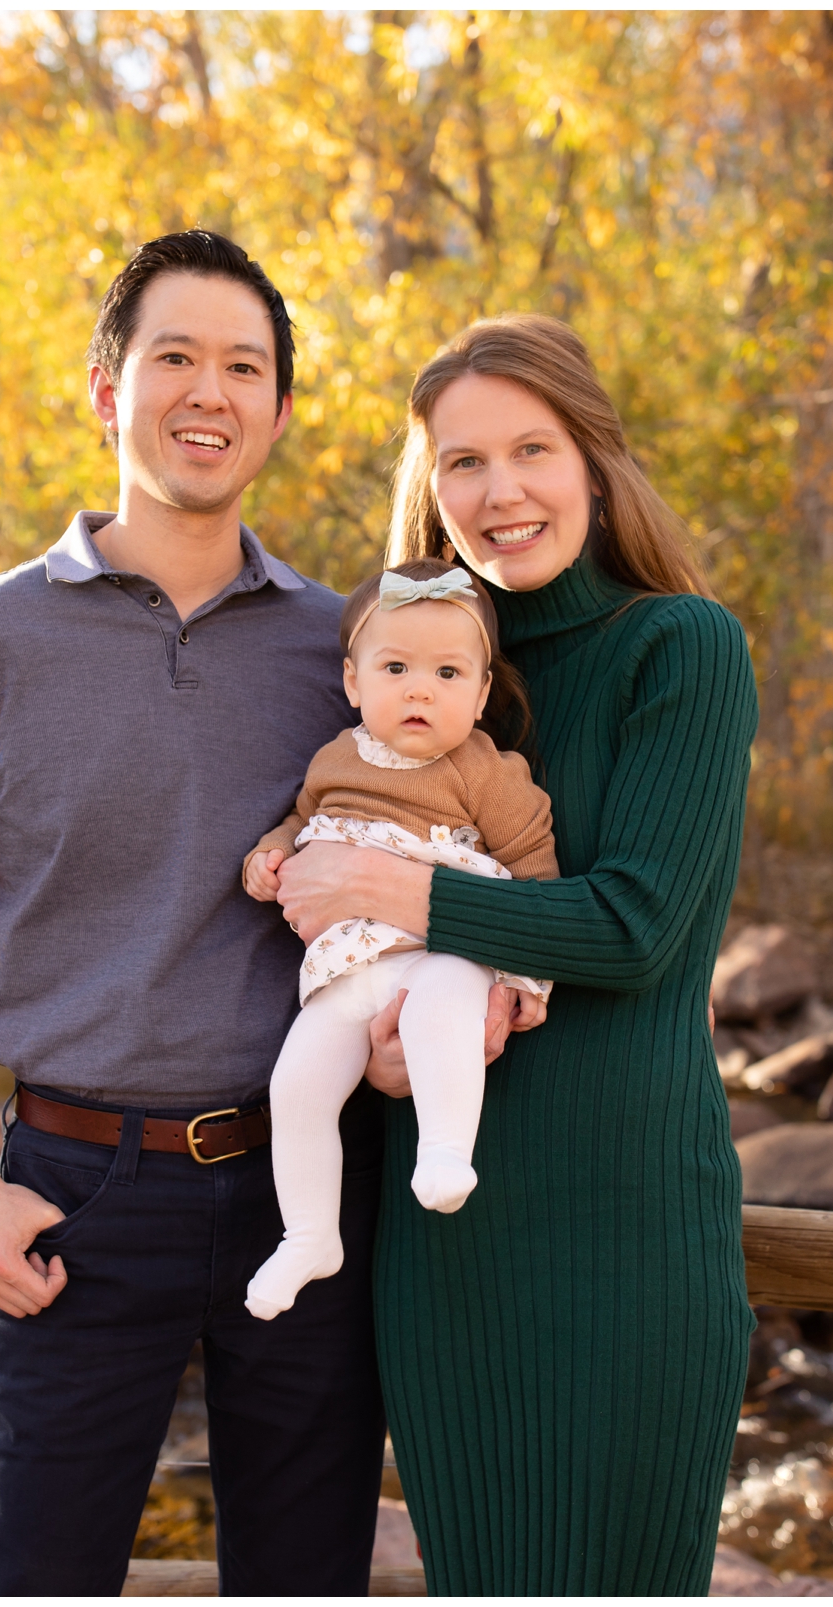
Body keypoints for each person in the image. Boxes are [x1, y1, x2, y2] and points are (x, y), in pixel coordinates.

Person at [0, 230, 510, 1597]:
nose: (211, 391)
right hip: (78, 1195)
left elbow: (440, 851)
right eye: (177, 359)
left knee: (307, 1576)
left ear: (277, 409)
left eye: (245, 367)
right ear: (108, 389)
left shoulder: (348, 650)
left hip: (306, 1171)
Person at [275, 313, 761, 1595]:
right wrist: (377, 1032)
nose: (500, 492)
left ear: (594, 463)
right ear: (430, 498)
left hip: (631, 1225)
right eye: (463, 464)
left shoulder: (684, 648)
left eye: (531, 449)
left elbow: (635, 927)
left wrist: (388, 886)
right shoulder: (418, 674)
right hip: (451, 1239)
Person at [239, 557, 558, 1320]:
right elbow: (303, 819)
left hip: (438, 948)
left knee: (441, 1010)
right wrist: (271, 851)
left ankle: (446, 1149)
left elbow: (535, 867)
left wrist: (526, 978)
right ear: (354, 682)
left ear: (482, 694)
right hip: (344, 969)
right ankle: (311, 1233)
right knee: (297, 1087)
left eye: (449, 673)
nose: (421, 689)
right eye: (397, 667)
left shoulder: (484, 769)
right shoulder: (333, 758)